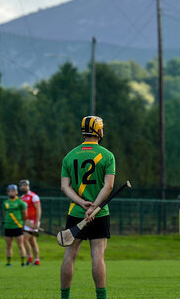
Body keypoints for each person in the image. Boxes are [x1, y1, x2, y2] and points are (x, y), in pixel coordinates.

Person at [60, 115, 116, 299]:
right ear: (99, 131)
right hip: (99, 213)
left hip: (76, 212)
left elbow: (64, 187)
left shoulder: (70, 156)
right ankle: (101, 297)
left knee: (70, 256)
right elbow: (108, 186)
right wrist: (94, 207)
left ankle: (65, 297)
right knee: (98, 256)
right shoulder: (107, 155)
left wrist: (81, 203)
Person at [2, 183, 28, 266]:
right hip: (8, 227)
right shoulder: (5, 203)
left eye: (13, 191)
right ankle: (9, 263)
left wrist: (20, 222)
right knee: (8, 246)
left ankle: (23, 262)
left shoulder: (20, 203)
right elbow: (5, 214)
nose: (11, 193)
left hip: (17, 226)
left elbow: (25, 215)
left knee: (20, 245)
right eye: (9, 191)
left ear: (16, 192)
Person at [20, 179, 43, 265]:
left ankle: (30, 257)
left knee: (25, 239)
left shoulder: (34, 196)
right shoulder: (22, 197)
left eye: (24, 185)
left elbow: (38, 210)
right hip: (27, 222)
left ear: (28, 186)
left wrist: (37, 223)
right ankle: (36, 259)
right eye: (21, 185)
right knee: (32, 241)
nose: (23, 187)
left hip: (33, 222)